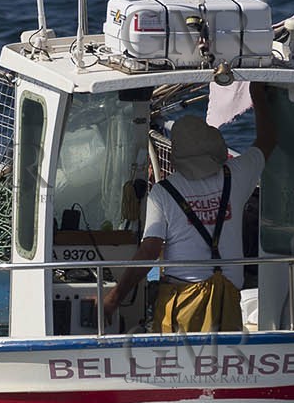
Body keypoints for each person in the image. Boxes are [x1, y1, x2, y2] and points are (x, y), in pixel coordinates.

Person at [102, 82, 278, 332]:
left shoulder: (163, 193)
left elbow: (150, 251)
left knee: (177, 367)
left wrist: (113, 299)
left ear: (177, 155)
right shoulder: (236, 176)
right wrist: (257, 95)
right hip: (227, 300)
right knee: (226, 366)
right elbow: (268, 140)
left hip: (182, 302)